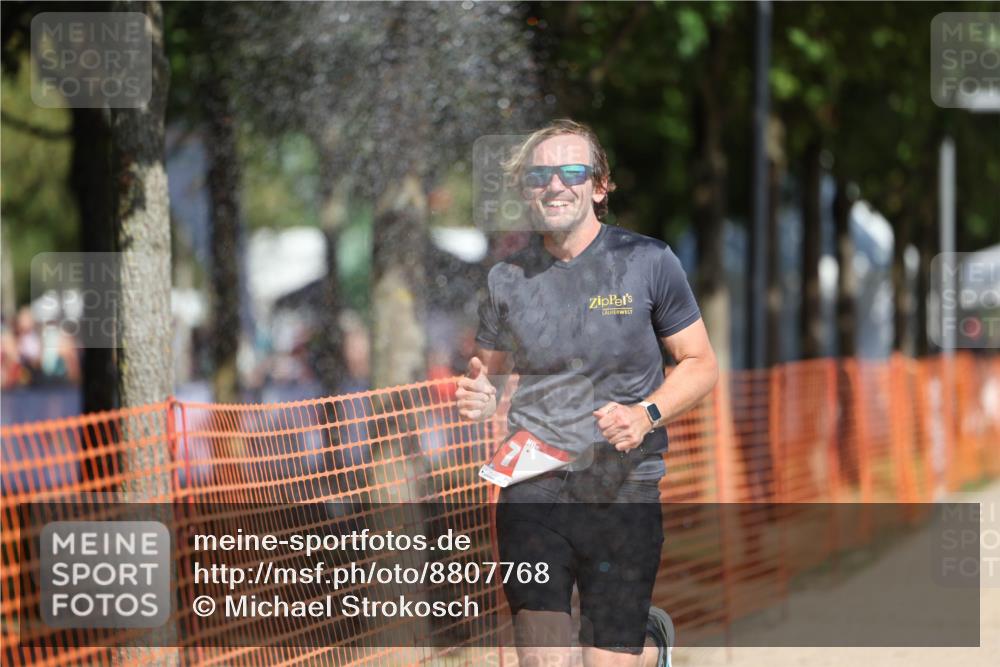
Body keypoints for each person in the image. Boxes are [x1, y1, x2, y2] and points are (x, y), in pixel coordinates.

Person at [456, 120, 717, 667]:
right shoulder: (506, 277)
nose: (555, 185)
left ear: (599, 186)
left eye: (571, 171)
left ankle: (647, 650)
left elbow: (700, 363)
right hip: (533, 484)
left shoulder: (648, 262)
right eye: (539, 174)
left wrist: (647, 414)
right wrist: (481, 393)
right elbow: (491, 373)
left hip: (624, 485)